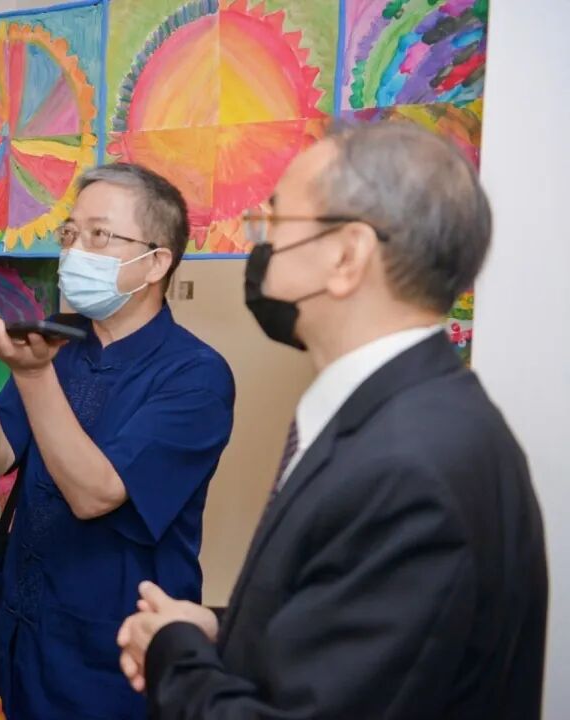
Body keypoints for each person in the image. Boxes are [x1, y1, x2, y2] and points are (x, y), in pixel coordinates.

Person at [117, 122, 548, 720]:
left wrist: (172, 653)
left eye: (276, 219)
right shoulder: (411, 418)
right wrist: (218, 632)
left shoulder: (408, 467)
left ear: (347, 256)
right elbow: (353, 643)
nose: (258, 241)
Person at [0, 163, 235, 720]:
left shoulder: (195, 375)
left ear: (156, 262)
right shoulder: (61, 340)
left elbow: (95, 493)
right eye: (70, 233)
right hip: (27, 638)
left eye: (100, 235)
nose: (76, 251)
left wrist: (32, 374)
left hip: (119, 657)